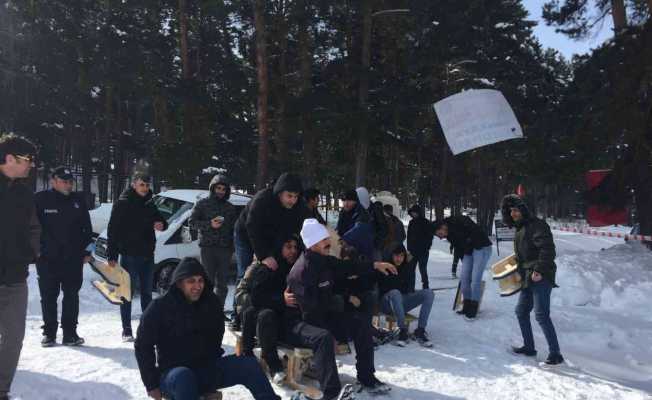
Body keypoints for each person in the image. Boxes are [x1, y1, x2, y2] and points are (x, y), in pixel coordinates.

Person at [134, 257, 281, 400]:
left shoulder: (210, 302)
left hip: (205, 369)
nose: (197, 286)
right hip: (173, 374)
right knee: (184, 377)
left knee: (248, 364)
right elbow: (142, 345)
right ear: (179, 283)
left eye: (200, 281)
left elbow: (216, 335)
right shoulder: (160, 307)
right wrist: (151, 384)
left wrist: (211, 370)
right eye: (191, 281)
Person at [285, 219, 397, 399]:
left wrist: (374, 265)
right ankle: (331, 393)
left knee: (361, 323)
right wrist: (333, 335)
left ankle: (367, 377)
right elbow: (309, 313)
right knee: (323, 337)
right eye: (324, 240)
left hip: (323, 315)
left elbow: (348, 266)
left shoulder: (324, 260)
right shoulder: (302, 272)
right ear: (312, 243)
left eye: (327, 239)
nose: (328, 243)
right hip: (299, 323)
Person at [231, 173, 307, 329]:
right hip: (246, 234)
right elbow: (252, 227)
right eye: (289, 196)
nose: (292, 200)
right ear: (280, 193)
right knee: (245, 271)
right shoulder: (262, 200)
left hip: (272, 238)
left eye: (296, 196)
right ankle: (238, 315)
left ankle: (270, 308)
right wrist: (264, 256)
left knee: (275, 270)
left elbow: (303, 226)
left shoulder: (299, 206)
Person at [501, 194, 564, 366]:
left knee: (541, 315)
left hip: (540, 275)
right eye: (511, 210)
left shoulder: (537, 225)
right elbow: (526, 253)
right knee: (521, 311)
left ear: (524, 209)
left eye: (516, 210)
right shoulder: (521, 228)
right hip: (528, 276)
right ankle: (529, 347)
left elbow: (547, 249)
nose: (513, 213)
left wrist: (539, 270)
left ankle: (555, 354)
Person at [34, 166, 93, 347]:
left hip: (73, 259)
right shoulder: (40, 199)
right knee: (49, 297)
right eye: (64, 181)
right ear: (53, 181)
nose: (68, 185)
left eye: (70, 182)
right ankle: (49, 333)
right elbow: (32, 229)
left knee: (71, 296)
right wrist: (36, 251)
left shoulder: (78, 200)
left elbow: (87, 228)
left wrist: (87, 251)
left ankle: (70, 334)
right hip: (47, 259)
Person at [0, 134, 40, 400]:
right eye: (28, 160)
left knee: (14, 339)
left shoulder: (25, 193)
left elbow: (34, 228)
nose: (31, 166)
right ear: (10, 159)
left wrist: (30, 254)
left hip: (15, 280)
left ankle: (1, 389)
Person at [106, 172, 168, 341]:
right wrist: (111, 254)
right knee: (127, 292)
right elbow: (113, 229)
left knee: (147, 293)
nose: (145, 188)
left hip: (148, 254)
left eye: (147, 185)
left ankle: (147, 327)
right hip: (129, 254)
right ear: (134, 184)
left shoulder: (150, 201)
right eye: (142, 185)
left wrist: (161, 225)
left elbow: (162, 221)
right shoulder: (123, 202)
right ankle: (126, 329)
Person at [236, 235, 301, 383]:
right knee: (265, 314)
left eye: (295, 247)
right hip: (257, 311)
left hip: (284, 316)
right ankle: (273, 365)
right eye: (288, 247)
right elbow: (256, 298)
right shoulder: (266, 267)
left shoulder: (295, 266)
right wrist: (281, 299)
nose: (293, 251)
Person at [189, 174, 236, 313]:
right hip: (207, 248)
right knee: (206, 281)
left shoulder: (230, 207)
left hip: (225, 249)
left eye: (223, 189)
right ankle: (204, 311)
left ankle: (218, 312)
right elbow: (191, 223)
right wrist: (210, 224)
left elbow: (235, 228)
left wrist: (232, 246)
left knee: (222, 284)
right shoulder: (202, 204)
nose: (220, 191)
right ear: (212, 188)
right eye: (218, 188)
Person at [433, 215, 492, 320]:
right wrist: (464, 260)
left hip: (481, 247)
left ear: (441, 227)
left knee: (475, 278)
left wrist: (469, 240)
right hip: (468, 251)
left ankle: (474, 307)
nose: (441, 237)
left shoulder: (456, 220)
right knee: (464, 278)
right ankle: (467, 304)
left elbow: (473, 228)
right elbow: (458, 248)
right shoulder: (449, 236)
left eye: (439, 234)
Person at [378, 244, 433, 347]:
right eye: (396, 255)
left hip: (401, 301)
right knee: (395, 292)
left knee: (428, 293)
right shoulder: (385, 267)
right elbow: (383, 289)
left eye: (401, 256)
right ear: (391, 255)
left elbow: (409, 290)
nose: (399, 258)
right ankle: (402, 330)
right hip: (387, 303)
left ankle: (420, 330)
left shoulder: (407, 267)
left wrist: (409, 268)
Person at [406, 205, 434, 289]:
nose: (413, 214)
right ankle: (410, 287)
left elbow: (430, 236)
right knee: (411, 270)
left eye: (415, 212)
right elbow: (409, 236)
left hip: (423, 251)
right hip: (413, 251)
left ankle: (425, 286)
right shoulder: (411, 222)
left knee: (423, 269)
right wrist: (409, 249)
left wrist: (427, 247)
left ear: (418, 212)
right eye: (412, 213)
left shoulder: (426, 222)